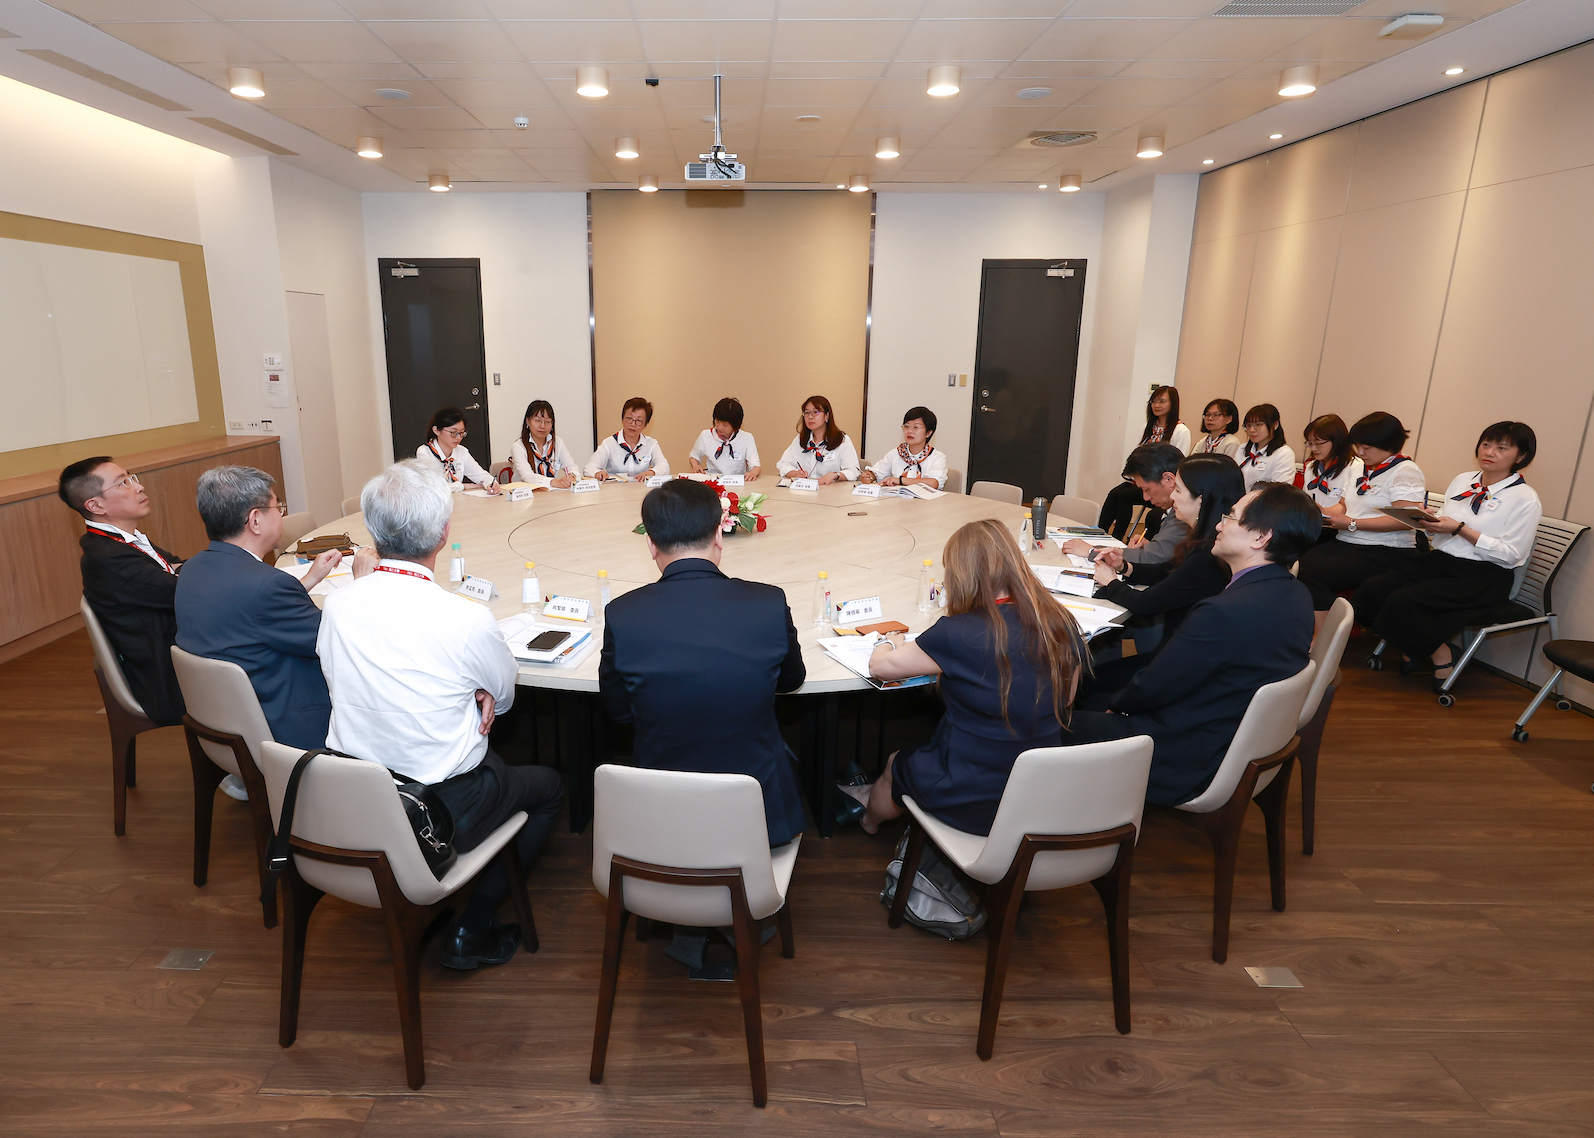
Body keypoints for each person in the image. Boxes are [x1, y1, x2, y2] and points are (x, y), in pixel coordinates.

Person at [317, 459, 562, 970]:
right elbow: (505, 698)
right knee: (550, 789)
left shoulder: (338, 605)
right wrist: (480, 690)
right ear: (444, 532)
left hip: (353, 794)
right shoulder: (464, 618)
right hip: (440, 804)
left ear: (372, 529)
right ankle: (473, 926)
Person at [599, 479, 806, 969]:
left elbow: (619, 713)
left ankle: (690, 923)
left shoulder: (623, 614)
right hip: (758, 813)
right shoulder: (767, 603)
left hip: (659, 817)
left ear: (650, 544)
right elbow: (792, 680)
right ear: (719, 534)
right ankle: (730, 918)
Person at [1067, 483, 1318, 806]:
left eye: (1230, 517)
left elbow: (1156, 686)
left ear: (1260, 537)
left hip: (1184, 756)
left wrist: (1117, 705)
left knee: (1048, 724)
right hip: (1229, 737)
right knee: (1095, 696)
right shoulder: (1296, 594)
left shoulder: (1224, 611)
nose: (1218, 525)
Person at [853, 518, 1086, 835]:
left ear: (959, 575)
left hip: (969, 794)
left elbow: (881, 668)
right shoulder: (1060, 621)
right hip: (1037, 789)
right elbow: (1067, 698)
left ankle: (868, 822)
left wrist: (888, 641)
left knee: (897, 762)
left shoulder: (957, 632)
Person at [175, 465, 376, 756]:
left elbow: (251, 614)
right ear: (255, 520)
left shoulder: (193, 569)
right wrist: (362, 584)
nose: (281, 514)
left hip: (222, 721)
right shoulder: (268, 586)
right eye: (277, 507)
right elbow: (340, 640)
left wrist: (308, 580)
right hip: (284, 729)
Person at [1355, 421, 1543, 690]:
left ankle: (1441, 657)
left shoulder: (1525, 498)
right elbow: (1446, 526)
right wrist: (1430, 520)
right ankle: (1422, 647)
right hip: (1441, 561)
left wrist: (1460, 529)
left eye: (1502, 448)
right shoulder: (1463, 481)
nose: (1489, 452)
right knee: (1374, 589)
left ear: (1521, 456)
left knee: (1405, 601)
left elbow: (1512, 555)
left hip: (1484, 575)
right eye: (1486, 444)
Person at [1087, 452, 1245, 675]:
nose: (1173, 497)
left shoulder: (1208, 555)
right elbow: (1168, 571)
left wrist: (1111, 583)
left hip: (1180, 665)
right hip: (1182, 654)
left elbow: (1146, 603)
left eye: (1178, 491)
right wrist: (1124, 567)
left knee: (1089, 679)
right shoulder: (1204, 540)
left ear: (1201, 499)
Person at [60, 456, 187, 727]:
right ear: (96, 506)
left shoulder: (124, 541)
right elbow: (182, 590)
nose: (138, 487)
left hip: (179, 653)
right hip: (167, 679)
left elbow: (177, 568)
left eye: (132, 478)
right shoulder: (106, 558)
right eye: (123, 483)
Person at [1297, 411, 1426, 627]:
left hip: (1385, 549)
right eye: (1357, 446)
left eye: (1367, 447)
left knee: (1311, 572)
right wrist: (1321, 511)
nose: (1360, 452)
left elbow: (1406, 520)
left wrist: (1353, 524)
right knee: (1296, 563)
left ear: (1389, 445)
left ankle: (1326, 635)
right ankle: (1311, 628)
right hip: (1348, 541)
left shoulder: (1405, 471)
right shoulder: (1360, 467)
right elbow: (1344, 505)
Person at [1061, 444, 1188, 568]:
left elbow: (1151, 558)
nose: (1145, 498)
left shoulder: (1185, 512)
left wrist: (1092, 551)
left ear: (1169, 479)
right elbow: (1162, 554)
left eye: (1147, 489)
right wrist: (1153, 547)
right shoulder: (1178, 508)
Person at [1098, 385, 1190, 540]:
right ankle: (1099, 532)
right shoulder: (1147, 428)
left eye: (1162, 401)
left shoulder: (1180, 430)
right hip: (1144, 480)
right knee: (1115, 492)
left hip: (1161, 483)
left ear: (1173, 404)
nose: (1157, 405)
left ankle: (1117, 538)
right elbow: (1139, 456)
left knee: (1125, 496)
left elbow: (1179, 462)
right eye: (1153, 401)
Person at [1300, 414, 1362, 545]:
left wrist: (1320, 511)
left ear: (1337, 441)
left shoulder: (1355, 466)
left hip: (1337, 531)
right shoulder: (1311, 466)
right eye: (1310, 443)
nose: (1313, 448)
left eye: (1318, 443)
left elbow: (1345, 506)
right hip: (1311, 526)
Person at [775, 395, 860, 485]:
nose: (810, 417)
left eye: (815, 412)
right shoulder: (801, 439)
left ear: (827, 416)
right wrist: (795, 473)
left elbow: (854, 471)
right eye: (807, 413)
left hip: (831, 490)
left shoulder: (842, 440)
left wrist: (834, 475)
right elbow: (782, 464)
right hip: (805, 490)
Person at [861, 406, 948, 489]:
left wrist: (900, 480)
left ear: (928, 433)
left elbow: (933, 483)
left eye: (916, 427)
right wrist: (869, 476)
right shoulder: (895, 454)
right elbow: (877, 473)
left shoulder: (937, 457)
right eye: (906, 426)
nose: (909, 431)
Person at [418, 407, 500, 495]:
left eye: (461, 433)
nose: (458, 438)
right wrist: (462, 486)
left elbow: (482, 476)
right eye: (453, 433)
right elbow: (433, 488)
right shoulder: (425, 452)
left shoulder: (461, 451)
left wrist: (491, 484)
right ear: (436, 430)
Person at [586, 397, 670, 480]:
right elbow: (589, 468)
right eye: (629, 418)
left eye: (639, 420)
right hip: (614, 488)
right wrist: (597, 473)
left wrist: (652, 472)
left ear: (645, 425)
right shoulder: (609, 443)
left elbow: (664, 466)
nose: (633, 424)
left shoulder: (651, 444)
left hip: (641, 487)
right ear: (622, 419)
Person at [688, 396, 762, 480]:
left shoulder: (746, 438)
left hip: (737, 482)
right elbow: (693, 457)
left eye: (725, 425)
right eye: (717, 422)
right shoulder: (706, 435)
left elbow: (756, 466)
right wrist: (696, 466)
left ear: (736, 425)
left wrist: (753, 473)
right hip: (712, 481)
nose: (719, 427)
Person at [509, 400, 578, 487]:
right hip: (525, 492)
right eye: (537, 420)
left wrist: (572, 476)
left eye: (547, 421)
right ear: (528, 421)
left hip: (550, 493)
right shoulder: (518, 446)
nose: (542, 426)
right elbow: (527, 476)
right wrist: (555, 482)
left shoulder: (557, 443)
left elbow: (573, 467)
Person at [1237, 403, 1297, 491]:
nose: (1252, 430)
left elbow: (1279, 490)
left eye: (1258, 425)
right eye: (1249, 425)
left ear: (1275, 425)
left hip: (1264, 499)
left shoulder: (1284, 454)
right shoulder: (1242, 449)